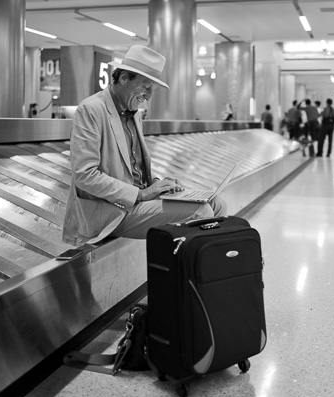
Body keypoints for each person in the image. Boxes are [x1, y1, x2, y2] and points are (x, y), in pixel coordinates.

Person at [62, 45, 226, 246]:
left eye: (152, 90)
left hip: (137, 202)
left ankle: (206, 271)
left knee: (216, 203)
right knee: (200, 212)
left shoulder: (135, 114)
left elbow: (133, 170)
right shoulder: (91, 110)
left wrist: (159, 185)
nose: (148, 97)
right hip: (110, 210)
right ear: (123, 78)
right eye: (146, 87)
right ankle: (196, 272)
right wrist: (140, 194)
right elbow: (84, 175)